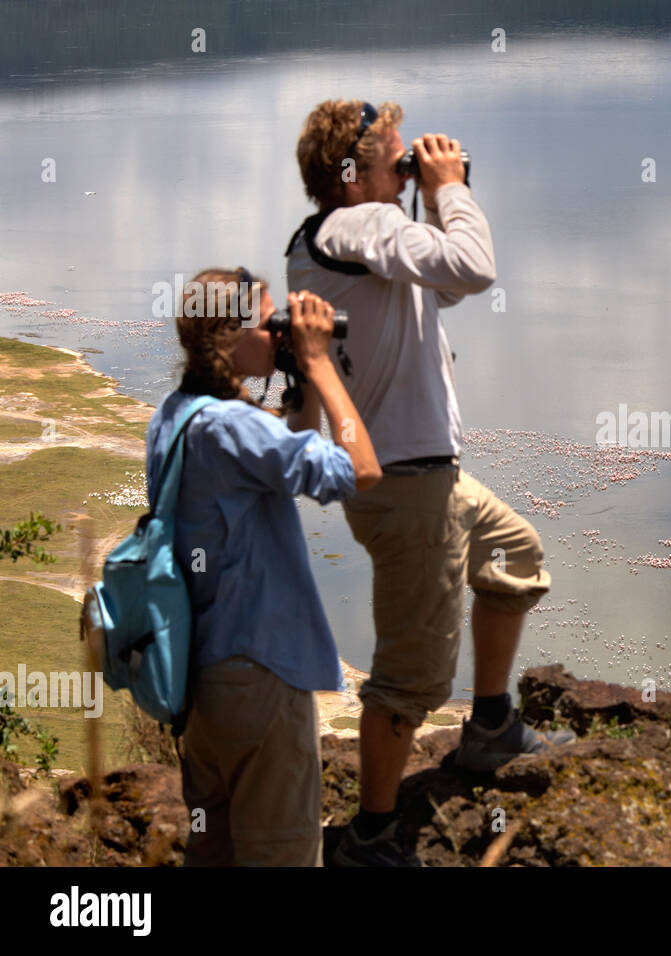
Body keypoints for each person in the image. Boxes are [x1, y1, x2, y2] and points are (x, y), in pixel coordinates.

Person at [287, 99, 574, 867]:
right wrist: (449, 188)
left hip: (424, 482)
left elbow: (441, 285)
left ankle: (487, 727)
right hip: (410, 487)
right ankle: (373, 834)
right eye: (397, 160)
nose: (408, 167)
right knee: (411, 676)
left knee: (515, 556)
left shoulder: (348, 236)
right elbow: (474, 269)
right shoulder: (359, 227)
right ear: (352, 175)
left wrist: (426, 195)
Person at [146, 270, 381, 865]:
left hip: (203, 683)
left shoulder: (177, 417)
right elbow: (358, 470)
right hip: (262, 678)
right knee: (283, 853)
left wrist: (296, 382)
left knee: (217, 850)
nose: (280, 334)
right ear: (227, 335)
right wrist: (322, 365)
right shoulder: (232, 425)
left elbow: (277, 467)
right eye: (269, 323)